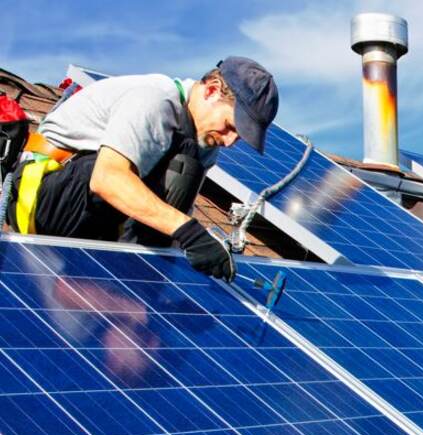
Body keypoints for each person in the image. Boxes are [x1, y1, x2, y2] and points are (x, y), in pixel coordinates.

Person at [5, 58, 278, 281]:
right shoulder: (155, 99)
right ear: (210, 90)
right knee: (174, 170)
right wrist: (190, 233)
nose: (230, 141)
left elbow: (177, 209)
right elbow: (107, 178)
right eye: (230, 126)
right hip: (44, 196)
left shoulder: (203, 143)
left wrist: (184, 277)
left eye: (238, 136)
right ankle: (122, 279)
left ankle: (135, 284)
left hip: (89, 212)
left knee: (186, 168)